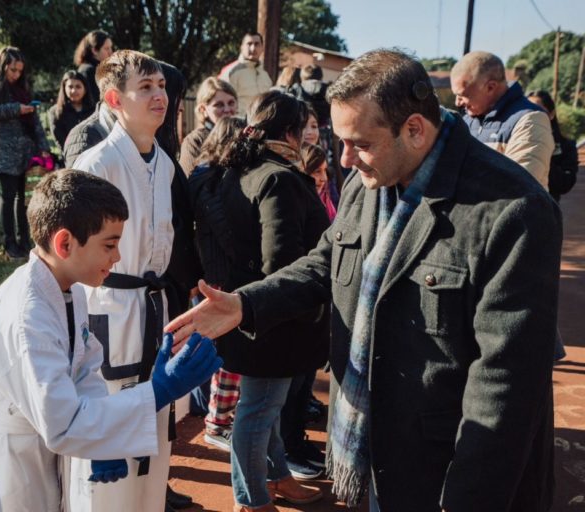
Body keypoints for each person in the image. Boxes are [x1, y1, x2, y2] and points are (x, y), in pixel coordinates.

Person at [166, 49, 561, 512]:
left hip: (446, 473)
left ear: (414, 129)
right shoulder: (368, 182)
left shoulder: (514, 210)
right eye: (340, 141)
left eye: (360, 143)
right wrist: (244, 305)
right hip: (377, 449)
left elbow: (504, 387)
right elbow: (325, 261)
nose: (346, 159)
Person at [0, 169, 220, 512]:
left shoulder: (69, 287)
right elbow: (63, 423)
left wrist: (105, 444)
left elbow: (86, 368)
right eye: (109, 245)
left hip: (43, 443)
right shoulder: (28, 318)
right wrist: (160, 390)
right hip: (14, 460)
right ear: (65, 244)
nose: (116, 258)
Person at [205, 90, 329, 511]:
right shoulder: (277, 177)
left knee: (266, 408)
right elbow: (283, 261)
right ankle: (251, 499)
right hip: (272, 318)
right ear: (292, 132)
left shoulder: (237, 169)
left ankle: (276, 478)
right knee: (258, 411)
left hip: (251, 310)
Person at [71, 49, 179, 512]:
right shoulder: (95, 165)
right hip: (105, 310)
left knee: (153, 439)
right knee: (107, 436)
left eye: (162, 86)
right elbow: (76, 256)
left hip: (152, 307)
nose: (160, 95)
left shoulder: (167, 165)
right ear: (115, 98)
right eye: (147, 87)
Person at [186, 116, 247, 452]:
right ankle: (217, 423)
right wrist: (242, 252)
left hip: (216, 272)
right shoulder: (212, 178)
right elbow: (222, 226)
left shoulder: (204, 174)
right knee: (227, 357)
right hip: (221, 275)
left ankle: (221, 417)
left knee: (224, 353)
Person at [0, 46, 51, 259]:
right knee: (8, 196)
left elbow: (34, 120)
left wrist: (44, 147)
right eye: (12, 70)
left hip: (27, 149)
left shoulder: (22, 87)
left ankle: (25, 241)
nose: (16, 74)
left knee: (24, 197)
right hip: (4, 148)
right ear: (2, 65)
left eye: (19, 70)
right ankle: (10, 244)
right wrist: (15, 109)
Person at [451, 51, 554, 190]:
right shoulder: (467, 120)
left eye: (463, 95)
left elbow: (517, 187)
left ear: (491, 87)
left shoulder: (531, 120)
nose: (457, 103)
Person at [527, 89, 580, 202]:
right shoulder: (510, 139)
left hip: (547, 210)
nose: (531, 115)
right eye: (526, 110)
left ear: (551, 114)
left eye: (537, 110)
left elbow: (565, 184)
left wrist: (541, 155)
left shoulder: (566, 146)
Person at [179, 77, 238, 175]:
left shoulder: (244, 135)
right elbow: (191, 182)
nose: (227, 109)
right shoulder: (194, 141)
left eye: (231, 103)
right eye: (219, 105)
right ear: (203, 109)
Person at [219, 32, 273, 116]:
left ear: (262, 48)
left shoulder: (265, 75)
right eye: (249, 44)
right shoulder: (231, 72)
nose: (253, 48)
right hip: (238, 125)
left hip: (261, 124)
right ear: (242, 47)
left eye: (257, 44)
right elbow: (220, 102)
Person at [47, 70, 95, 150]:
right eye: (70, 87)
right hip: (70, 156)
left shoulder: (95, 109)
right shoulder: (55, 112)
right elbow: (59, 140)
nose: (73, 91)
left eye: (78, 87)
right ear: (64, 88)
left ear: (85, 88)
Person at [74, 30, 114, 104]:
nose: (111, 52)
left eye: (110, 48)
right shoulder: (88, 71)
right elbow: (96, 102)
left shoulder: (100, 68)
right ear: (95, 50)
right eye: (106, 48)